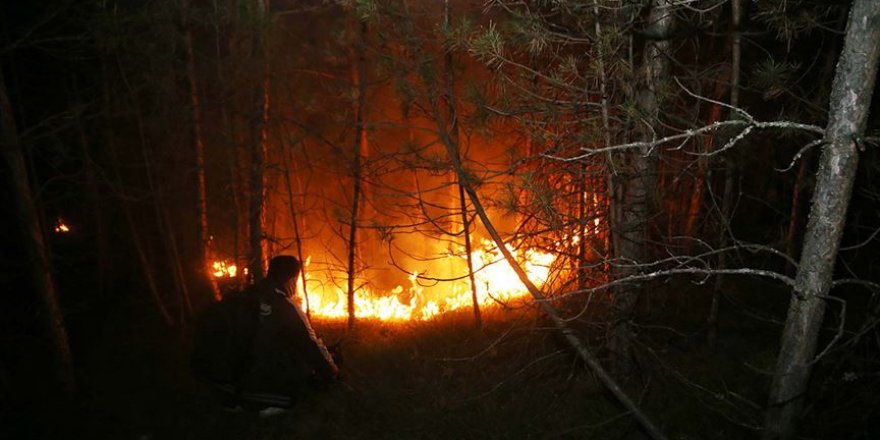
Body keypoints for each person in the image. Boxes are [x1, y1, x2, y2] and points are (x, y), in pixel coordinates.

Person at [192, 255, 339, 415]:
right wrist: (331, 369)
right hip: (258, 393)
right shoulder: (285, 305)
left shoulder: (242, 296)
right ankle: (264, 399)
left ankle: (239, 397)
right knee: (298, 361)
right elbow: (310, 344)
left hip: (222, 389)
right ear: (291, 279)